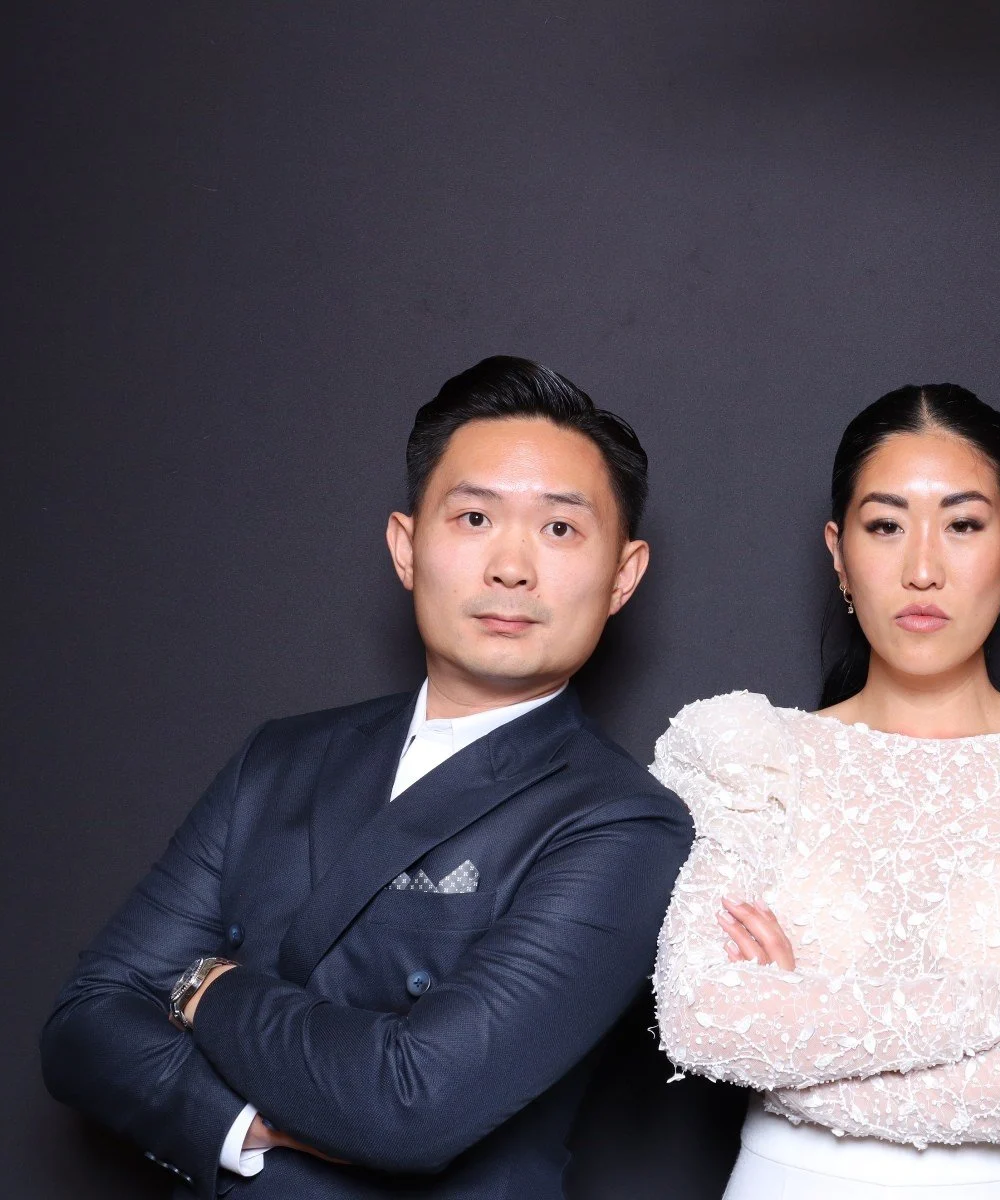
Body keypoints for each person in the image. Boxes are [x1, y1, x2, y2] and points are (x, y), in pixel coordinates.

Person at [40, 356, 693, 1198]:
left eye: (560, 529)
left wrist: (204, 984)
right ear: (406, 546)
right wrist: (235, 1125)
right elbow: (86, 1019)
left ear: (623, 576)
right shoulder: (280, 758)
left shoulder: (623, 823)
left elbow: (409, 1104)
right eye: (472, 518)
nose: (511, 567)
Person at [651, 385, 1000, 1199]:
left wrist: (806, 1024)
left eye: (964, 525)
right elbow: (701, 1018)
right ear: (838, 552)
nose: (923, 569)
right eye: (886, 525)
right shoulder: (755, 758)